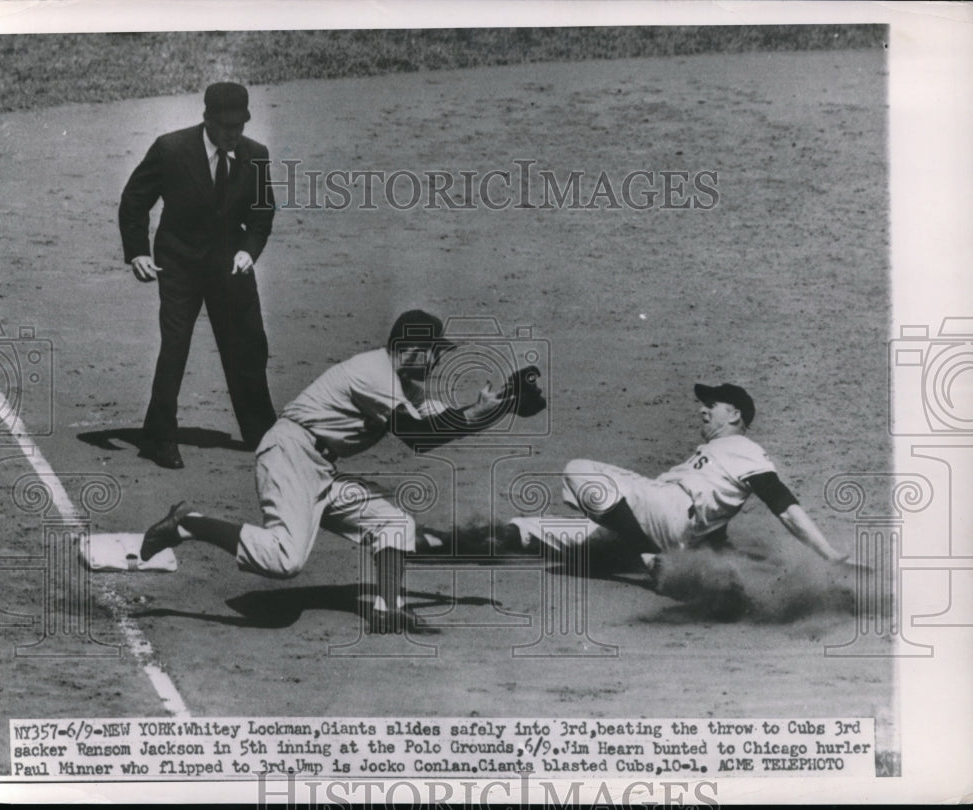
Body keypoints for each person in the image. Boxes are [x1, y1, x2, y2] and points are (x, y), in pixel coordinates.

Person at [140, 310, 544, 633]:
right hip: (289, 455)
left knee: (393, 523)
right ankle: (188, 523)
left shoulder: (403, 384)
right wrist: (500, 408)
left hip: (319, 468)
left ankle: (388, 609)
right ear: (412, 350)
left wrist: (497, 405)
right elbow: (422, 438)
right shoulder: (374, 374)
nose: (438, 359)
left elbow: (444, 420)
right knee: (285, 561)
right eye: (434, 350)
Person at [504, 383, 849, 571]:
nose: (701, 409)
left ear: (734, 413)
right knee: (536, 529)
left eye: (710, 404)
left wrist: (827, 554)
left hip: (664, 514)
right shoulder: (717, 456)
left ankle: (645, 554)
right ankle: (458, 542)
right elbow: (715, 516)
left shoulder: (742, 447)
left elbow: (782, 503)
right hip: (655, 524)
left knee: (578, 469)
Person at [119, 82, 277, 469]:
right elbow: (135, 199)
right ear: (206, 119)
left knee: (248, 346)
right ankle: (158, 437)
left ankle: (263, 434)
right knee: (175, 347)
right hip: (179, 263)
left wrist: (248, 251)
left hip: (228, 265)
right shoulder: (171, 149)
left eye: (239, 125)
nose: (233, 134)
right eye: (225, 126)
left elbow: (262, 214)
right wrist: (137, 250)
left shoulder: (256, 155)